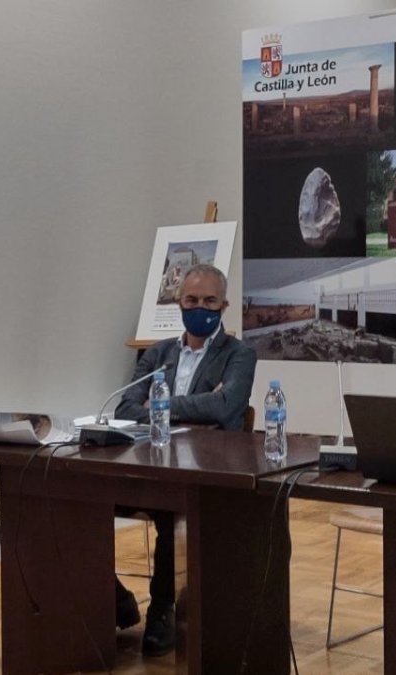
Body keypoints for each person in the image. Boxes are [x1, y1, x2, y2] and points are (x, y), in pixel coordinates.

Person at [113, 263, 256, 656]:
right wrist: (196, 406)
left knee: (169, 509)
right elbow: (126, 409)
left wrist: (160, 406)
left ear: (224, 305)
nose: (200, 308)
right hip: (148, 464)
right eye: (191, 300)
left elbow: (226, 408)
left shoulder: (239, 354)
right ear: (179, 302)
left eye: (209, 301)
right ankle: (113, 598)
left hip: (207, 472)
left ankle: (163, 609)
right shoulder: (157, 353)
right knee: (76, 499)